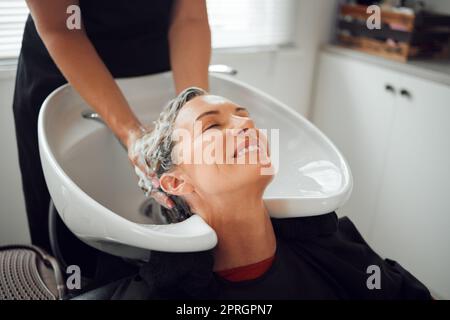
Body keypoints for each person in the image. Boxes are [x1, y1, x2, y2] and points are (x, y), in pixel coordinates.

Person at [109, 87, 432, 300]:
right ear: (176, 183)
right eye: (212, 126)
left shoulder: (337, 246)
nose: (244, 124)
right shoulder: (168, 295)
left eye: (243, 115)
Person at [12, 0, 211, 258]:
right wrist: (132, 134)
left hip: (159, 67)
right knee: (77, 252)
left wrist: (192, 113)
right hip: (68, 73)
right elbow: (62, 29)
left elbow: (190, 18)